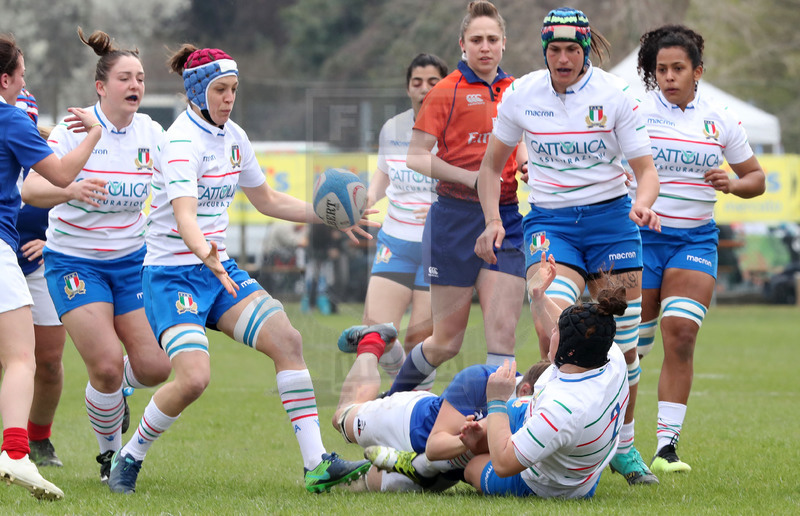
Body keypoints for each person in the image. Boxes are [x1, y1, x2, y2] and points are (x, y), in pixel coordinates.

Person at [106, 45, 375, 495]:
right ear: (197, 92)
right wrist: (204, 252)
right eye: (220, 89)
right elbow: (185, 216)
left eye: (234, 89)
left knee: (287, 340)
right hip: (172, 275)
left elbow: (266, 199)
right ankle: (129, 455)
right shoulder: (181, 142)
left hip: (219, 271)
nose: (229, 98)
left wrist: (327, 215)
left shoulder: (234, 137)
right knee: (194, 379)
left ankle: (316, 465)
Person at [474, 7, 661, 486]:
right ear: (544, 51)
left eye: (571, 50)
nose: (562, 58)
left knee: (625, 345)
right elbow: (491, 168)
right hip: (550, 223)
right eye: (554, 49)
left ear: (585, 51)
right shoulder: (521, 94)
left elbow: (646, 172)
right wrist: (493, 221)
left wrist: (642, 204)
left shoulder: (615, 95)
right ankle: (545, 436)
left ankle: (623, 446)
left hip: (611, 223)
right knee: (553, 326)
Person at [21, 29, 172, 484]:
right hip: (74, 263)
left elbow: (178, 188)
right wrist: (70, 189)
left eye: (140, 78)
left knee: (157, 367)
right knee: (105, 366)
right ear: (101, 87)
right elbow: (31, 190)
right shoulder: (73, 130)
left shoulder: (152, 134)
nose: (135, 85)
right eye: (125, 78)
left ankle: (114, 391)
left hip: (132, 263)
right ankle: (112, 460)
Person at [634, 25, 766, 474]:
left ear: (698, 71)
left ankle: (666, 448)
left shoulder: (720, 119)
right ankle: (616, 442)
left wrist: (733, 183)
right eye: (661, 69)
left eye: (678, 68)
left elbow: (756, 178)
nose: (669, 76)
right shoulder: (636, 112)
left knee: (682, 334)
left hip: (694, 240)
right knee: (632, 348)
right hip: (640, 239)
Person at [387, 0, 526, 396]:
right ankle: (391, 401)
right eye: (476, 40)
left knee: (503, 336)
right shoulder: (446, 91)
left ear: (504, 43)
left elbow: (522, 139)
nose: (485, 47)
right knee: (446, 341)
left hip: (505, 217)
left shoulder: (518, 90)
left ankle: (493, 424)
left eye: (492, 39)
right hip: (453, 220)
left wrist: (525, 162)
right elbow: (416, 156)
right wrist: (470, 178)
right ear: (462, 45)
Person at [0, 32, 102, 501]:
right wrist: (95, 134)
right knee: (21, 358)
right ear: (5, 79)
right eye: (21, 75)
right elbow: (60, 174)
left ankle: (30, 444)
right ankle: (15, 453)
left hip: (26, 257)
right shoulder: (9, 119)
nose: (24, 83)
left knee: (38, 359)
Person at [462, 281, 631, 499]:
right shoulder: (609, 353)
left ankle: (429, 467)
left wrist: (496, 400)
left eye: (556, 331)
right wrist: (540, 298)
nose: (551, 331)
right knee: (491, 427)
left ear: (569, 351)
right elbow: (576, 331)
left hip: (546, 484)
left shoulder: (563, 408)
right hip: (580, 464)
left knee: (472, 466)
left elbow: (503, 464)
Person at [339, 53, 448, 389]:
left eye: (433, 82)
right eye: (417, 82)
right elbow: (381, 179)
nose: (424, 88)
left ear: (445, 86)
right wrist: (363, 201)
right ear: (407, 88)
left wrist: (444, 208)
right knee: (374, 334)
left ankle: (408, 407)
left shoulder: (456, 130)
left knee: (419, 342)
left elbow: (474, 182)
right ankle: (406, 396)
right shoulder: (393, 129)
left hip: (438, 246)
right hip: (395, 242)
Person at [331, 324, 545, 492]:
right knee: (342, 417)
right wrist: (464, 442)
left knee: (372, 483)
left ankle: (395, 359)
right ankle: (372, 343)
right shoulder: (479, 379)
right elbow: (435, 445)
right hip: (408, 423)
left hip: (441, 472)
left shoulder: (541, 413)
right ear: (525, 390)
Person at [13, 89, 67, 468]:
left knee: (48, 361)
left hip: (38, 267)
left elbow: (78, 204)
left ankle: (39, 439)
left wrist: (51, 241)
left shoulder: (50, 161)